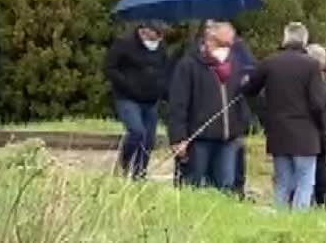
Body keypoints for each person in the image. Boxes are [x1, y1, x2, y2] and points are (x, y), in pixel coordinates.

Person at [241, 22, 326, 209]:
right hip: (305, 135)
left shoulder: (270, 62)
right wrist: (320, 128)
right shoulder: (312, 66)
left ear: (285, 38)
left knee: (282, 182)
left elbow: (249, 90)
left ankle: (280, 220)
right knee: (305, 182)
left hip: (278, 133)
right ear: (305, 40)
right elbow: (317, 104)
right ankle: (297, 223)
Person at [168, 21, 247, 190]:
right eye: (224, 43)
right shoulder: (189, 65)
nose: (228, 48)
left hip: (228, 138)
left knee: (225, 187)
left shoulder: (235, 65)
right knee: (192, 185)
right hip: (198, 138)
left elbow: (241, 99)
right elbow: (178, 103)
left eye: (229, 44)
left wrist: (241, 127)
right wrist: (178, 137)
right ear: (209, 39)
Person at [104, 21, 170, 180]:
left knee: (148, 139)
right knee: (136, 132)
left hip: (151, 100)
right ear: (145, 30)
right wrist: (127, 84)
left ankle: (139, 173)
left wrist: (163, 89)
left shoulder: (160, 48)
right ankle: (124, 164)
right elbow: (110, 67)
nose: (159, 39)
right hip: (128, 98)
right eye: (157, 34)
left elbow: (164, 70)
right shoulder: (124, 44)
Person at [306, 43, 326, 212]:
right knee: (318, 174)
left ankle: (325, 205)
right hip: (315, 134)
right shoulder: (316, 81)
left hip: (311, 134)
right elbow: (318, 109)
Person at [228, 32, 259, 196]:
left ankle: (238, 188)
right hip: (213, 111)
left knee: (237, 149)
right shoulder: (202, 50)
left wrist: (244, 78)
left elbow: (252, 69)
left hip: (236, 109)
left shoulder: (238, 48)